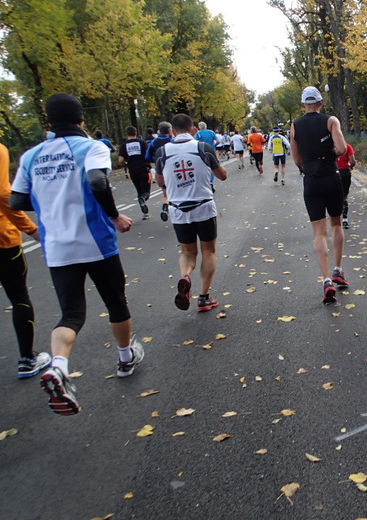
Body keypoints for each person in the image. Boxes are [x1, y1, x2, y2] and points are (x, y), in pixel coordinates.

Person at [10, 93, 144, 416]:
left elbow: (16, 201)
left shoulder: (30, 156)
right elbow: (97, 179)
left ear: (49, 122)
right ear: (81, 120)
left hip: (56, 245)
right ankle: (125, 358)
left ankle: (58, 366)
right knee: (116, 302)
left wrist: (50, 201)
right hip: (95, 241)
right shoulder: (93, 147)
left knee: (71, 313)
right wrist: (113, 215)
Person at [155, 113, 227, 313]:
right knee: (208, 251)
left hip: (178, 210)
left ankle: (185, 276)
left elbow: (160, 182)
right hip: (203, 206)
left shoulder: (162, 151)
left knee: (187, 252)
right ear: (193, 129)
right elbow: (222, 175)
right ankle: (204, 297)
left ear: (172, 131)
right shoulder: (202, 148)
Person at [290, 86, 348, 304]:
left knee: (319, 233)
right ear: (320, 103)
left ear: (303, 105)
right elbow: (342, 149)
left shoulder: (295, 125)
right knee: (336, 224)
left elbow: (296, 160)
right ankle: (338, 269)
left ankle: (325, 280)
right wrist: (327, 153)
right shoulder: (330, 120)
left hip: (311, 180)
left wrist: (310, 161)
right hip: (331, 176)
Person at [0, 142, 51, 379]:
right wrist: (31, 229)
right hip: (3, 241)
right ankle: (27, 359)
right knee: (19, 296)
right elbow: (3, 194)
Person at [118, 126, 151, 219]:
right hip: (144, 169)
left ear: (127, 134)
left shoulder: (124, 145)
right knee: (146, 191)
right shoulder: (142, 143)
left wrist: (127, 163)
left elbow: (120, 160)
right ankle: (143, 199)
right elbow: (149, 155)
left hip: (132, 171)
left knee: (139, 190)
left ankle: (145, 213)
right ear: (136, 133)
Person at [336, 142, 356, 229]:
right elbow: (352, 161)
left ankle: (335, 220)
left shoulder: (330, 146)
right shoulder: (348, 146)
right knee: (344, 197)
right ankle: (345, 220)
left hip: (333, 173)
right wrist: (350, 166)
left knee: (334, 197)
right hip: (344, 172)